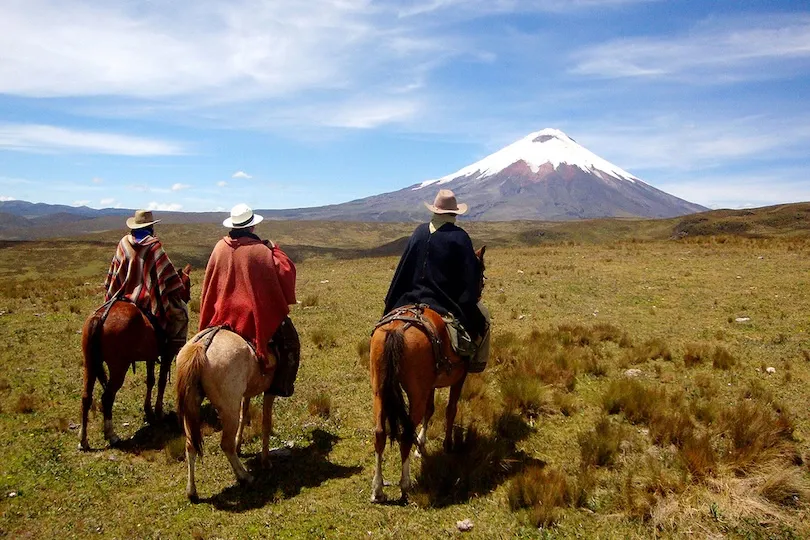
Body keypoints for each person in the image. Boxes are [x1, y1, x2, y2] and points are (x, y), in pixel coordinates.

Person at [384, 189, 490, 371]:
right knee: (484, 317)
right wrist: (467, 299)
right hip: (442, 303)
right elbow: (469, 276)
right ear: (454, 213)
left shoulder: (419, 232)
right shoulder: (459, 237)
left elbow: (404, 269)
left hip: (408, 298)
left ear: (435, 210)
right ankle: (476, 362)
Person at [198, 203, 299, 395]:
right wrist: (275, 249)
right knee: (290, 340)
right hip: (250, 316)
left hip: (219, 314)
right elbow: (286, 271)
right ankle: (281, 385)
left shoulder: (219, 247)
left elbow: (210, 282)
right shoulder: (260, 251)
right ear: (252, 227)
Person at [104, 209, 189, 359]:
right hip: (147, 300)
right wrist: (176, 286)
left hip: (121, 296)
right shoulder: (154, 246)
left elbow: (115, 271)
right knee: (181, 312)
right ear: (150, 226)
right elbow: (166, 273)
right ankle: (173, 350)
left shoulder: (123, 243)